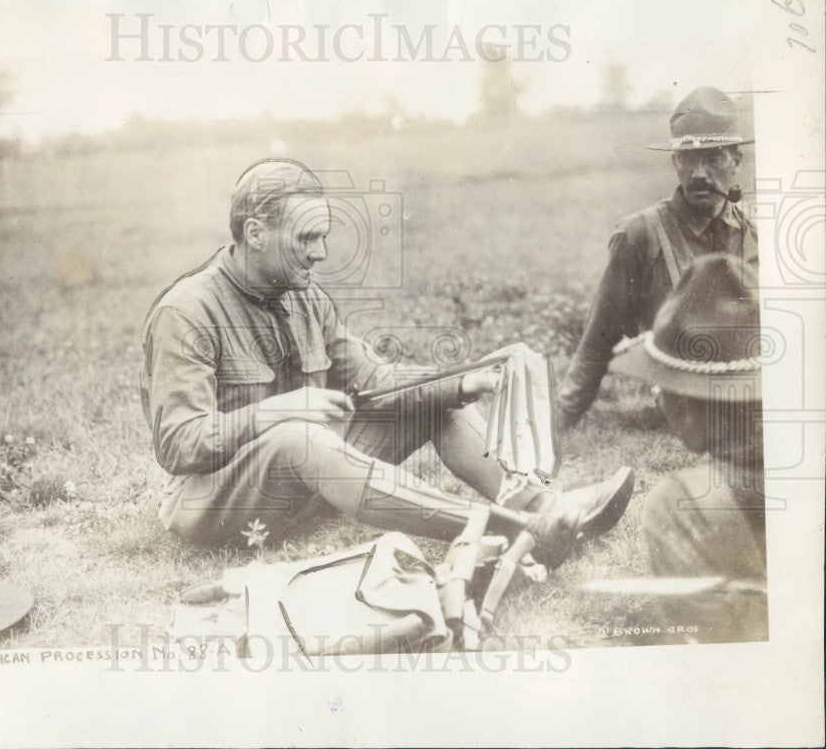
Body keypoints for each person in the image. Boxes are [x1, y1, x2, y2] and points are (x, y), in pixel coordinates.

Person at [140, 158, 635, 565]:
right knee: (300, 435)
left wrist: (467, 382)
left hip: (300, 491)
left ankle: (546, 505)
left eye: (323, 237)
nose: (321, 253)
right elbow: (179, 445)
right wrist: (281, 410)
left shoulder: (304, 297)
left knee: (437, 402)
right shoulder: (187, 311)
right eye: (306, 239)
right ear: (255, 233)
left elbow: (373, 380)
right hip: (211, 509)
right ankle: (517, 529)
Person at [558, 86, 759, 428]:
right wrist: (558, 421)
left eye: (713, 158)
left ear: (736, 162)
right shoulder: (640, 234)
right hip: (683, 410)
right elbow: (598, 340)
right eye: (688, 158)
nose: (699, 173)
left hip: (750, 399)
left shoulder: (756, 233)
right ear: (675, 162)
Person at [610, 252, 767, 643]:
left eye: (663, 390)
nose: (659, 400)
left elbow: (705, 647)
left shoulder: (683, 503)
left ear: (685, 406)